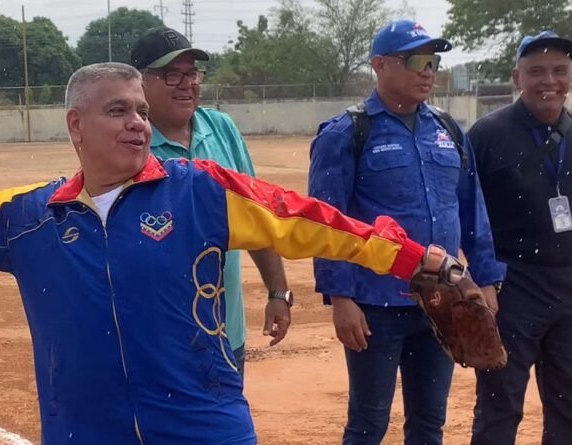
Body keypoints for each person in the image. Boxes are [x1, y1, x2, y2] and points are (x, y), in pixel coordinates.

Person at [0, 62, 443, 445]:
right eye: (119, 111)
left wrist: (414, 259)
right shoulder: (33, 216)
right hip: (85, 431)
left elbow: (312, 223)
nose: (139, 123)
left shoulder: (200, 190)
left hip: (203, 426)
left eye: (142, 111)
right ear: (76, 125)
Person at [308, 20, 505, 445]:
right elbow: (327, 223)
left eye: (433, 61)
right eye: (416, 60)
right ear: (379, 65)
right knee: (368, 424)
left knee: (429, 423)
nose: (428, 71)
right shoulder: (347, 133)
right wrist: (341, 299)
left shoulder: (448, 130)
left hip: (442, 300)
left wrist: (487, 279)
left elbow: (472, 210)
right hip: (375, 305)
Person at [130, 26, 292, 376]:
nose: (187, 83)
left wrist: (278, 292)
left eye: (192, 73)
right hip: (157, 343)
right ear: (140, 82)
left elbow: (256, 217)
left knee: (226, 430)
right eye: (172, 74)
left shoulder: (221, 129)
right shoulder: (129, 141)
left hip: (224, 334)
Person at [468, 31, 572, 445]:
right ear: (517, 77)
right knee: (500, 403)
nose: (550, 80)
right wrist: (482, 280)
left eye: (559, 71)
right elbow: (468, 212)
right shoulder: (487, 135)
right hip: (512, 287)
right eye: (537, 72)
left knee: (567, 405)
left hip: (569, 286)